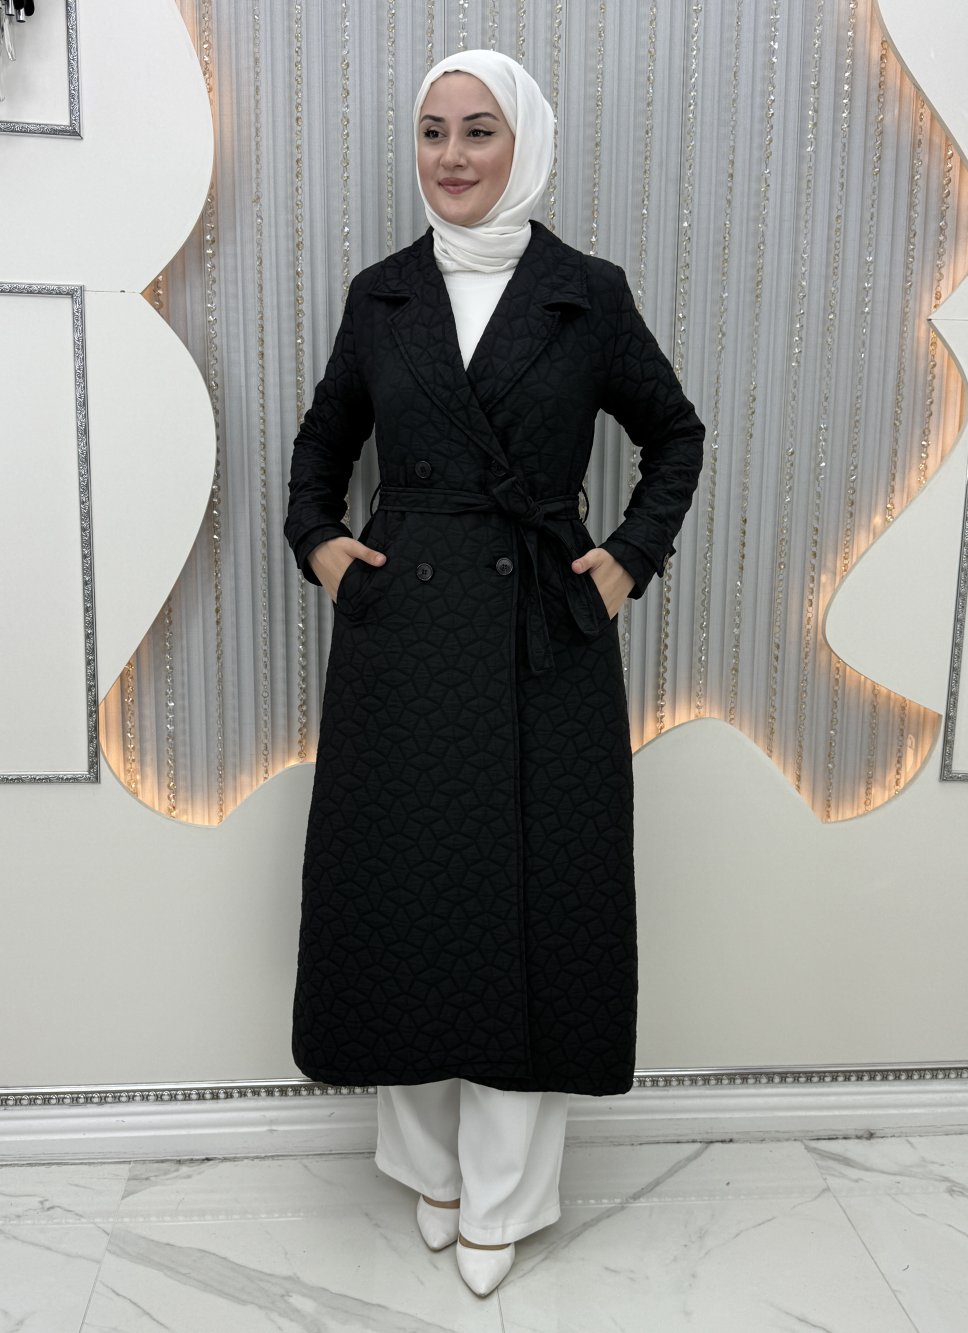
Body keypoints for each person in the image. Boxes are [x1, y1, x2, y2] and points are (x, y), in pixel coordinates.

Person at [283, 49, 705, 1297]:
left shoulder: (586, 293)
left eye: (479, 130)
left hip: (540, 635)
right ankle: (427, 1168)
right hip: (404, 633)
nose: (453, 156)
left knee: (536, 902)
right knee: (406, 897)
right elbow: (320, 445)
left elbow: (674, 433)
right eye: (433, 131)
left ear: (525, 142)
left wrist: (627, 558)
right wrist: (323, 547)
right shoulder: (382, 294)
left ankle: (508, 1194)